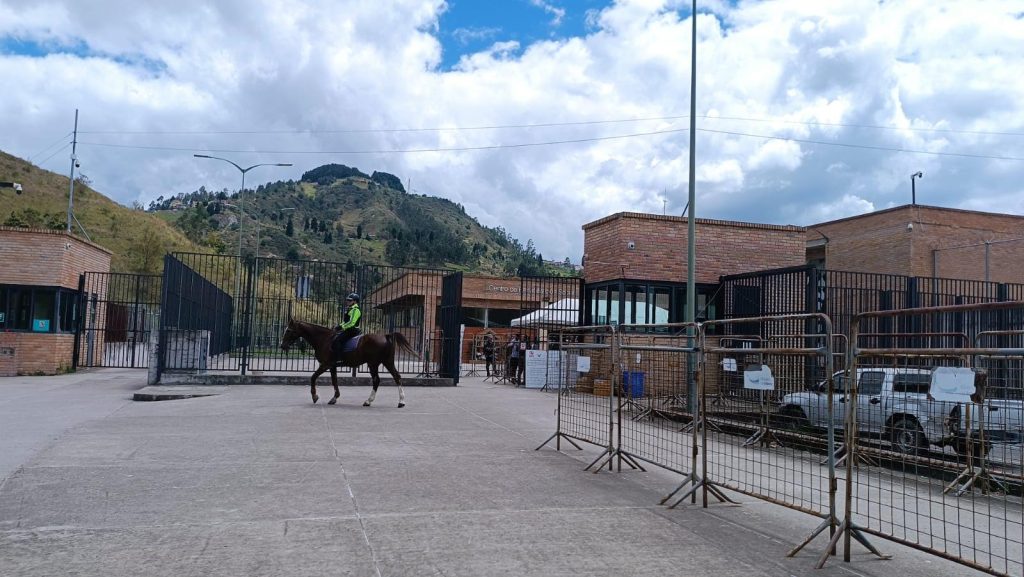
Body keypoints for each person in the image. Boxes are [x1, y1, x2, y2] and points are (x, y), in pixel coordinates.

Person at [332, 293, 362, 357]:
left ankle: (338, 358)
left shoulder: (355, 310)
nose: (348, 301)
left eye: (350, 300)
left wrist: (341, 327)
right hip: (348, 329)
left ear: (355, 301)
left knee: (338, 340)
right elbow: (346, 321)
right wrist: (339, 326)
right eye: (347, 300)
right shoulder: (350, 309)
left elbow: (351, 323)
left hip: (353, 330)